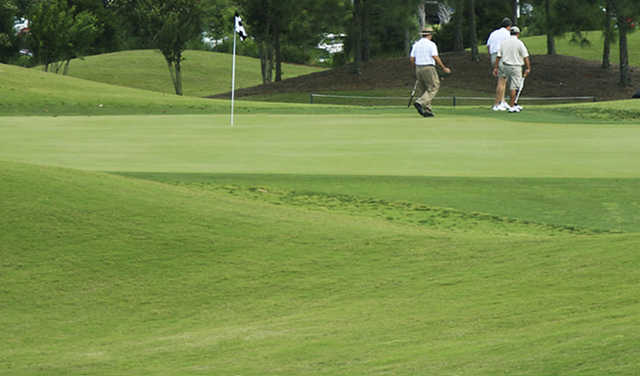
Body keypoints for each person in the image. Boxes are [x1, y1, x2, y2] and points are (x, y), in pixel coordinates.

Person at [410, 26, 451, 117]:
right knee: (434, 86)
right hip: (428, 67)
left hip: (418, 68)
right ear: (429, 35)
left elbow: (412, 58)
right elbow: (435, 56)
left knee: (424, 89)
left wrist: (415, 67)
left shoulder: (416, 44)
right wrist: (443, 67)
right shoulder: (431, 44)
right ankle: (420, 102)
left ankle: (427, 110)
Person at [493, 26, 531, 113]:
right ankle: (512, 106)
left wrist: (495, 67)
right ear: (518, 33)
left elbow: (498, 56)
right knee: (514, 87)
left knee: (502, 84)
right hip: (516, 67)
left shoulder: (504, 43)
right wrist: (528, 68)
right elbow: (525, 56)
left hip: (505, 66)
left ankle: (500, 103)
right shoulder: (519, 43)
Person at [486, 18, 512, 111]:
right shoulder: (507, 34)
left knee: (503, 79)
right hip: (502, 57)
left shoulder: (494, 33)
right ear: (509, 26)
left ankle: (503, 101)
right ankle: (497, 104)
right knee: (502, 81)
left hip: (493, 56)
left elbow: (488, 46)